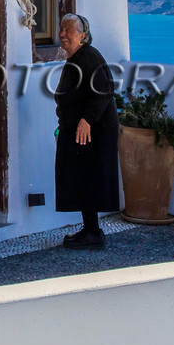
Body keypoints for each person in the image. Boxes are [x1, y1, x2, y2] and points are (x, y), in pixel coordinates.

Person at [54, 13, 120, 249]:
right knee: (82, 178)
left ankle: (92, 233)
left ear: (83, 35)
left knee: (88, 178)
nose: (63, 34)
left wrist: (87, 120)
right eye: (61, 29)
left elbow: (104, 88)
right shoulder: (76, 57)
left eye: (69, 30)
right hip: (79, 129)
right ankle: (91, 230)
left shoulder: (88, 56)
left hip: (92, 131)